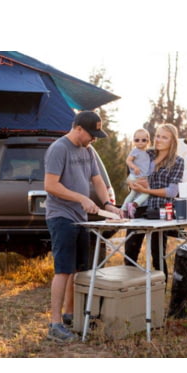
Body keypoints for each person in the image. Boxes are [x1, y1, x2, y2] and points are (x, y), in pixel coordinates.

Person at [44, 110, 122, 343]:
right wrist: (80, 198)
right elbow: (50, 185)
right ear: (78, 128)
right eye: (92, 134)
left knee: (78, 269)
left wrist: (108, 204)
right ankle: (55, 323)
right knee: (63, 269)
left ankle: (70, 315)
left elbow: (97, 180)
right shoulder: (59, 149)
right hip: (61, 215)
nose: (94, 139)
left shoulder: (88, 151)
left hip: (81, 218)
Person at [124, 123, 184, 282]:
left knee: (157, 253)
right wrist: (132, 183)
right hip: (139, 207)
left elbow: (172, 191)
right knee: (130, 251)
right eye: (157, 135)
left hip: (161, 210)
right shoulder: (146, 153)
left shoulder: (177, 162)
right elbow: (130, 172)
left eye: (164, 137)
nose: (159, 140)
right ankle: (129, 290)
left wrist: (147, 191)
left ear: (172, 141)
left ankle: (159, 292)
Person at [121, 128, 151, 218]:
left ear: (148, 141)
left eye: (143, 140)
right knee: (145, 192)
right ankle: (131, 206)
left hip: (141, 177)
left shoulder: (148, 152)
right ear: (134, 141)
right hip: (134, 176)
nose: (140, 142)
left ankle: (125, 208)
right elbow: (128, 161)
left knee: (135, 193)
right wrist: (135, 167)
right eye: (137, 140)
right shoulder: (135, 151)